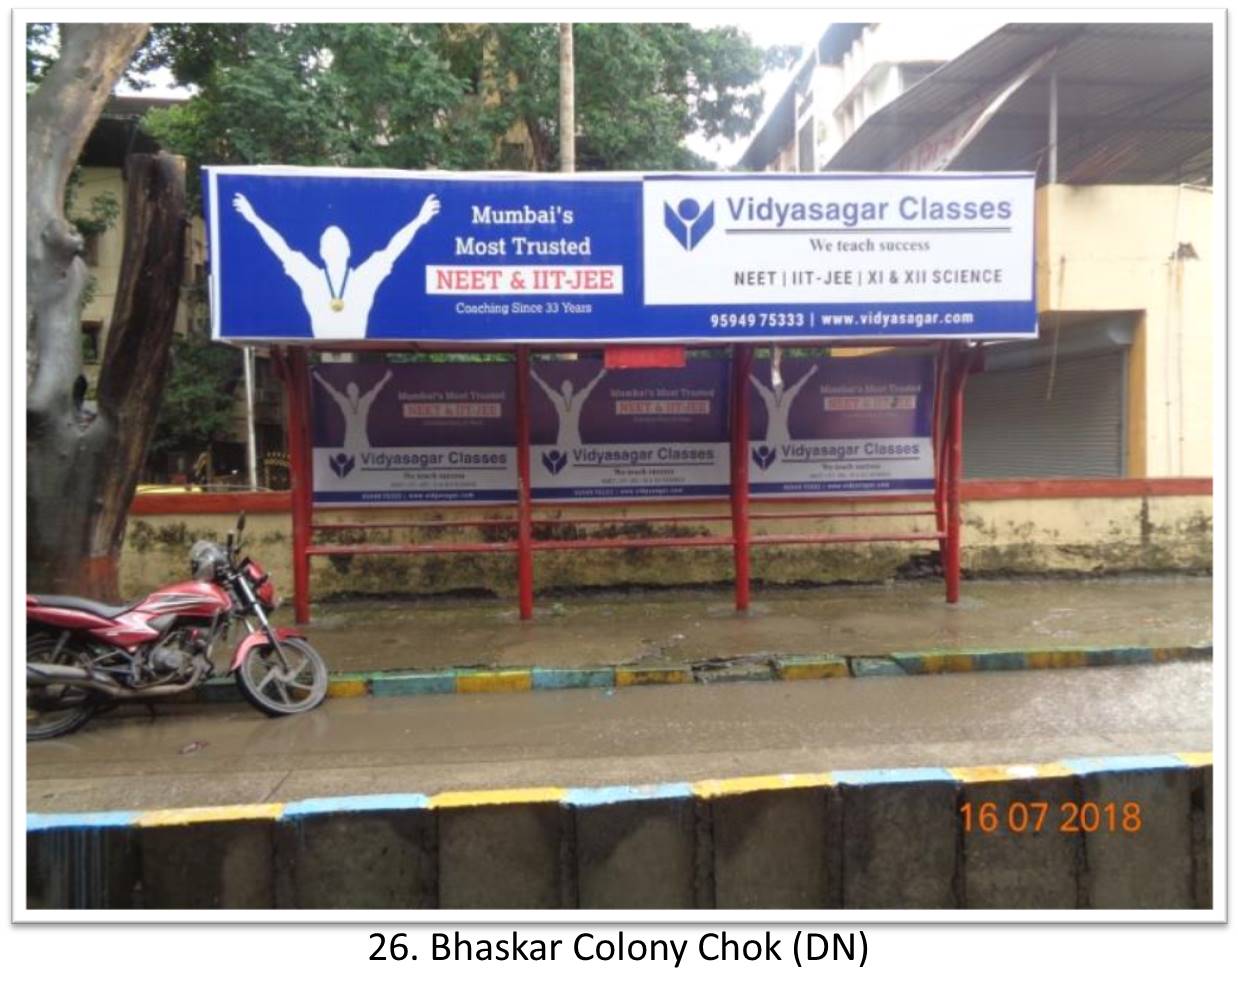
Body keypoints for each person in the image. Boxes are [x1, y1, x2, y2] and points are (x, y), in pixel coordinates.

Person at [233, 192, 440, 338]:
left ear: (349, 250)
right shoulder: (311, 277)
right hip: (321, 342)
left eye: (339, 243)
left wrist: (419, 220)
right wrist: (253, 219)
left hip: (359, 343)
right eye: (329, 244)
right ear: (321, 252)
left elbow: (393, 248)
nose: (334, 248)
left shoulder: (363, 277)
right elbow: (281, 248)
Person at [312, 369, 393, 451]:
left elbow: (375, 390)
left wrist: (385, 378)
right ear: (348, 391)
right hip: (349, 440)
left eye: (354, 388)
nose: (353, 390)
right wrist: (319, 378)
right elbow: (331, 390)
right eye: (351, 388)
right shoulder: (344, 402)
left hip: (363, 440)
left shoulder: (364, 400)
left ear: (358, 390)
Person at [529, 367, 607, 449]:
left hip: (575, 437)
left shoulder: (578, 399)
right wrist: (535, 376)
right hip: (562, 437)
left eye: (568, 386)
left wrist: (599, 376)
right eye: (565, 386)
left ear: (572, 388)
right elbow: (546, 388)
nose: (567, 388)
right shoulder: (558, 399)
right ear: (562, 389)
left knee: (575, 459)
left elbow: (589, 388)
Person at [749, 363, 818, 445]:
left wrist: (810, 373)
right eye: (776, 385)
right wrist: (747, 373)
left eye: (779, 384)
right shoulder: (769, 396)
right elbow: (758, 384)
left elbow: (799, 384)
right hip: (771, 434)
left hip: (783, 434)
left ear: (783, 385)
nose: (777, 386)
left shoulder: (787, 396)